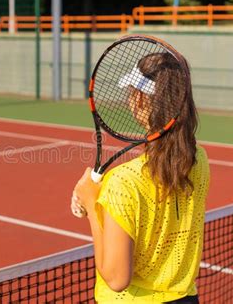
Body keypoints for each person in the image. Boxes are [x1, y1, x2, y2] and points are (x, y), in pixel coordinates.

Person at [73, 51, 210, 303]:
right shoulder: (199, 160)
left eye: (132, 91)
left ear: (139, 100)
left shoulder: (123, 182)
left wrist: (93, 206)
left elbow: (116, 279)